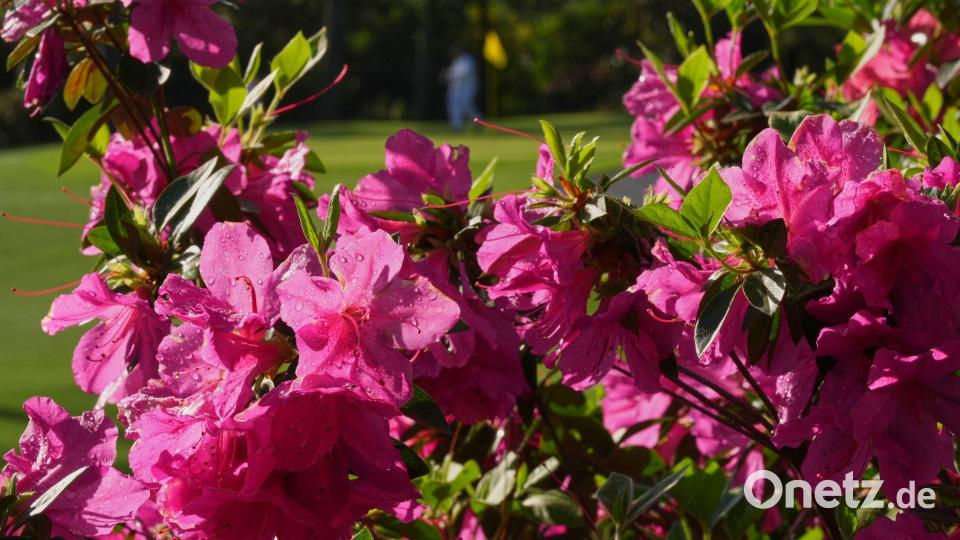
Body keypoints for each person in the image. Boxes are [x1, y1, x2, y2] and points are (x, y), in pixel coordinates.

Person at [443, 47, 479, 131]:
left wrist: (449, 76)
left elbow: (462, 74)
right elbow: (451, 73)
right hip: (455, 89)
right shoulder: (457, 61)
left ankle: (478, 122)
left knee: (467, 106)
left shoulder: (468, 60)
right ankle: (456, 126)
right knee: (454, 107)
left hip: (467, 88)